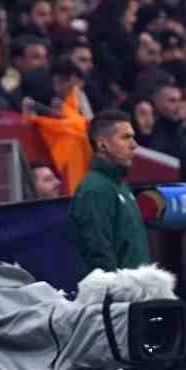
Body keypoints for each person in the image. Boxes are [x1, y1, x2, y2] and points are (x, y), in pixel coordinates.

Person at [68, 110, 151, 280]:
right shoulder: (95, 190)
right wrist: (117, 292)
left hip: (137, 289)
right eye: (125, 137)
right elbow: (98, 256)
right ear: (102, 145)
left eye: (133, 137)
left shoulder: (121, 186)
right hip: (117, 293)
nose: (134, 145)